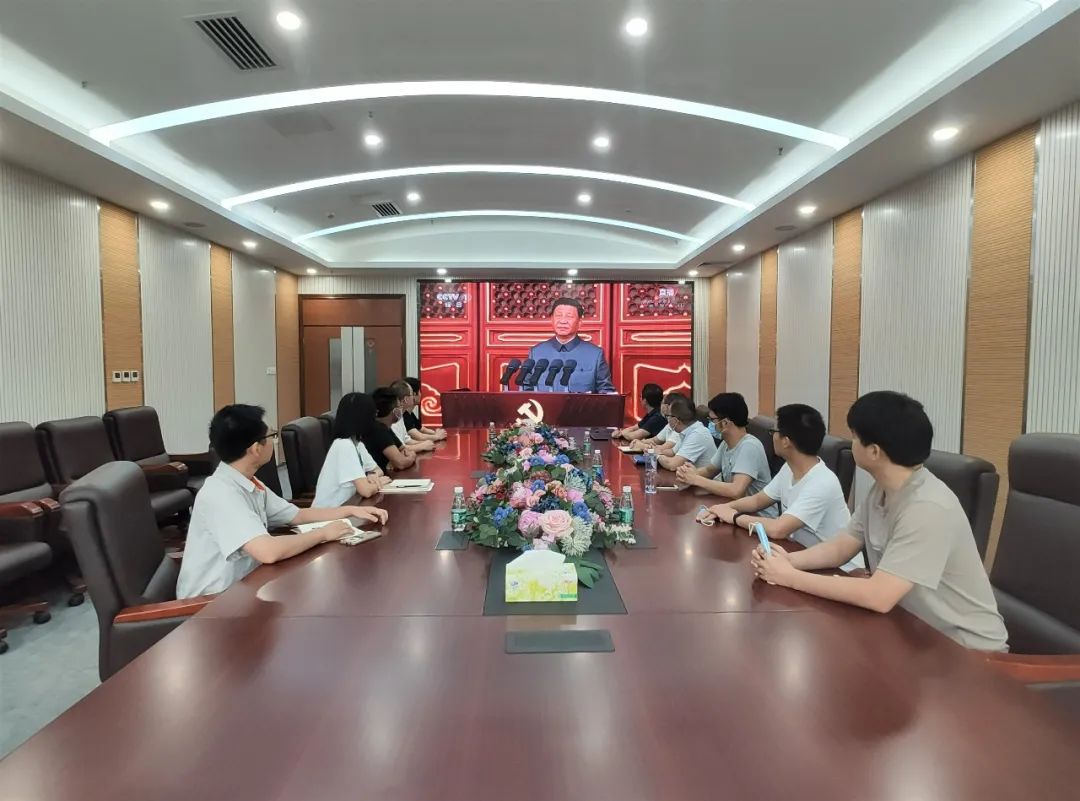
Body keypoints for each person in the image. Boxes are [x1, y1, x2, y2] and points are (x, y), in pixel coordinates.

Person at [752, 391, 1008, 652]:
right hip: (912, 633)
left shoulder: (928, 507)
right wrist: (788, 561)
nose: (851, 443)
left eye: (854, 436)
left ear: (874, 451)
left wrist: (789, 577)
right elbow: (841, 547)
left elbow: (878, 596)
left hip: (968, 653)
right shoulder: (883, 490)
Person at [176, 404, 388, 599]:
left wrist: (350, 510)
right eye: (271, 435)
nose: (274, 441)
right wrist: (323, 534)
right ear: (256, 448)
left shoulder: (248, 482)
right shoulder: (221, 494)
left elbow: (297, 515)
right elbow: (267, 552)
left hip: (245, 587)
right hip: (210, 605)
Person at [701, 404, 849, 549]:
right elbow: (757, 501)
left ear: (785, 442)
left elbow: (778, 529)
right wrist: (721, 508)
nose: (772, 437)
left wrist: (734, 517)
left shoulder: (821, 482)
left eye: (773, 431)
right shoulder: (789, 468)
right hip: (797, 550)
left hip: (833, 563)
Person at [675, 393, 774, 510]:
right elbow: (709, 470)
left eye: (712, 420)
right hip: (734, 508)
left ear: (725, 422)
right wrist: (690, 473)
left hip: (756, 516)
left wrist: (696, 479)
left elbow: (736, 490)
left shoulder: (749, 447)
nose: (710, 424)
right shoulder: (726, 443)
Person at [313, 392, 393, 508]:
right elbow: (365, 491)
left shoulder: (356, 443)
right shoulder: (343, 445)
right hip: (329, 513)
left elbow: (378, 470)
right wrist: (378, 483)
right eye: (373, 414)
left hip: (348, 506)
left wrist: (371, 475)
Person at [526, 298, 615, 393]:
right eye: (558, 315)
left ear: (579, 323)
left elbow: (606, 391)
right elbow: (526, 389)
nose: (563, 321)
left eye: (569, 316)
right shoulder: (536, 352)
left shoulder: (595, 354)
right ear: (551, 320)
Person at [657, 396, 718, 470]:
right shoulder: (686, 430)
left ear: (675, 420)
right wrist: (654, 450)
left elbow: (673, 465)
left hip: (702, 477)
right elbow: (672, 452)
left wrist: (657, 455)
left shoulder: (698, 434)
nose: (667, 419)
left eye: (668, 416)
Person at [366, 387, 419, 472]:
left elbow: (403, 449)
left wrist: (400, 457)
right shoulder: (378, 429)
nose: (401, 409)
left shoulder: (386, 428)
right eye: (399, 406)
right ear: (394, 411)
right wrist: (412, 456)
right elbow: (401, 463)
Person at [387, 380, 437, 451]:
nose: (413, 397)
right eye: (411, 395)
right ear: (406, 399)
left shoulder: (400, 415)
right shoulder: (391, 418)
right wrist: (422, 446)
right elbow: (400, 449)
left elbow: (407, 440)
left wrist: (425, 443)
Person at [398, 376, 447, 441]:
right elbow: (419, 437)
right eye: (420, 391)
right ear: (414, 394)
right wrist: (437, 436)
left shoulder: (409, 414)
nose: (421, 394)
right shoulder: (402, 415)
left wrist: (437, 434)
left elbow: (422, 429)